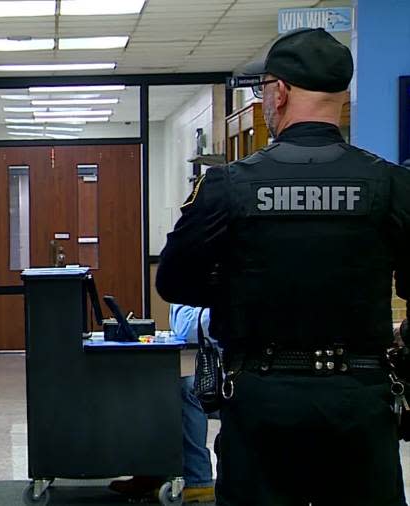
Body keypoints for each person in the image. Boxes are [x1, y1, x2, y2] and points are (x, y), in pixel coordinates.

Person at [156, 27, 409, 506]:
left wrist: (236, 281)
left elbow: (173, 281)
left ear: (280, 91)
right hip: (359, 401)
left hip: (262, 401)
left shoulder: (229, 185)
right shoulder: (391, 184)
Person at [109, 305, 216, 503]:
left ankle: (198, 480)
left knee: (186, 387)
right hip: (210, 356)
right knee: (156, 382)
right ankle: (153, 471)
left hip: (233, 364)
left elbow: (188, 327)